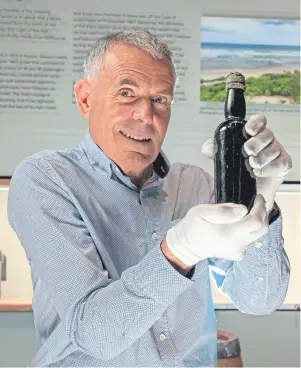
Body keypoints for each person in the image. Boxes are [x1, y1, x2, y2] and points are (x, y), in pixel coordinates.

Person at [7, 30, 292, 367]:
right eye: (126, 93)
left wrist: (263, 202)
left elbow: (258, 299)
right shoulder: (46, 180)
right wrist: (178, 252)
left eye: (160, 99)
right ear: (86, 99)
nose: (146, 115)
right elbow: (96, 334)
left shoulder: (194, 184)